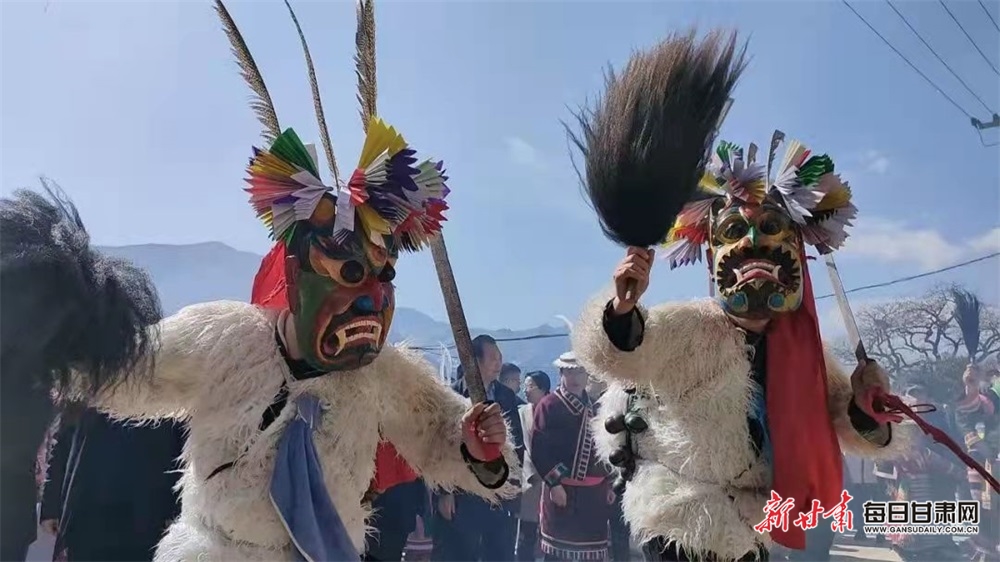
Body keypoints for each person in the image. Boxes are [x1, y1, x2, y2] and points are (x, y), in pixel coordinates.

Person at [1, 2, 517, 560]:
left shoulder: (385, 374)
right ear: (295, 275)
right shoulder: (224, 338)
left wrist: (479, 448)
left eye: (383, 274)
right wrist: (62, 332)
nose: (372, 298)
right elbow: (132, 368)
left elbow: (441, 432)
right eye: (349, 272)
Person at [573, 136, 910, 561]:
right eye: (734, 231)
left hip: (753, 527)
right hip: (682, 520)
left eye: (771, 228)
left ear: (796, 253)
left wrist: (868, 404)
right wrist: (622, 309)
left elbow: (851, 428)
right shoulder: (686, 325)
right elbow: (622, 357)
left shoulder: (808, 355)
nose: (753, 241)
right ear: (712, 255)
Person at [40, 405, 185, 561]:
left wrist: (177, 510)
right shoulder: (86, 391)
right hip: (87, 504)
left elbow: (182, 447)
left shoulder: (170, 394)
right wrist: (51, 505)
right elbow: (64, 438)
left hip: (147, 510)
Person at [433, 335, 524, 561]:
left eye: (500, 357)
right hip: (462, 493)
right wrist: (444, 493)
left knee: (498, 552)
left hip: (498, 490)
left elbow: (517, 445)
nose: (498, 363)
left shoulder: (506, 396)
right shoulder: (450, 396)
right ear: (474, 361)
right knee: (461, 552)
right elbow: (439, 449)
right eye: (493, 358)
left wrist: (514, 485)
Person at [530, 352, 612, 561]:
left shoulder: (596, 407)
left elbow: (606, 448)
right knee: (559, 555)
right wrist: (554, 484)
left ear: (588, 375)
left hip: (594, 495)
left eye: (580, 372)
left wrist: (610, 483)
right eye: (570, 372)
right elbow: (540, 449)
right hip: (563, 491)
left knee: (592, 554)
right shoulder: (549, 405)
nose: (575, 378)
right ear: (561, 374)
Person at [517, 371, 552, 561]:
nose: (526, 390)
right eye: (525, 386)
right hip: (529, 479)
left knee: (550, 532)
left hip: (552, 481)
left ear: (544, 389)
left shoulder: (555, 411)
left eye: (530, 386)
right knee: (527, 531)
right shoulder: (521, 412)